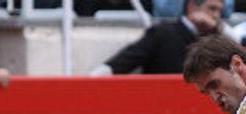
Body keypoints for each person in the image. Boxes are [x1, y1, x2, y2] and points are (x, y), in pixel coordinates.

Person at [90, 0, 231, 75]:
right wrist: (91, 80)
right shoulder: (163, 32)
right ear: (192, 6)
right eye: (212, 9)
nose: (216, 16)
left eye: (219, 10)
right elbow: (125, 61)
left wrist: (222, 28)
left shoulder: (218, 37)